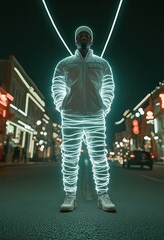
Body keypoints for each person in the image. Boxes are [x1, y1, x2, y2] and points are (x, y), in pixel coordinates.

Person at [51, 26, 116, 212]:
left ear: (92, 40)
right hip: (71, 115)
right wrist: (60, 104)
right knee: (69, 158)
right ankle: (70, 195)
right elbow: (57, 84)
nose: (84, 36)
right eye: (80, 34)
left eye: (87, 34)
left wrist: (105, 106)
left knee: (99, 157)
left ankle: (103, 195)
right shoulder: (64, 64)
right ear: (75, 40)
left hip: (96, 115)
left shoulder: (102, 64)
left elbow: (109, 86)